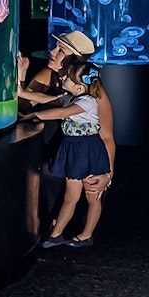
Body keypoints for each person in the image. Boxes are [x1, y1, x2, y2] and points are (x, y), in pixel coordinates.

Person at [21, 59, 110, 248]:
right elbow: (46, 99)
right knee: (71, 196)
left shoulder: (87, 102)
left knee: (92, 195)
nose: (63, 78)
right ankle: (56, 234)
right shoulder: (70, 96)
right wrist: (22, 93)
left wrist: (34, 116)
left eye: (68, 77)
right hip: (72, 149)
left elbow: (62, 113)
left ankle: (86, 235)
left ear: (79, 87)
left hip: (88, 150)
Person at [17, 31, 114, 197]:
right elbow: (22, 107)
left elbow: (106, 136)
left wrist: (108, 175)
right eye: (55, 47)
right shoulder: (47, 75)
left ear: (74, 60)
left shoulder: (93, 91)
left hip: (85, 164)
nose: (52, 52)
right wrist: (22, 75)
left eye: (61, 50)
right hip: (53, 163)